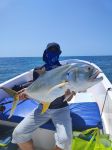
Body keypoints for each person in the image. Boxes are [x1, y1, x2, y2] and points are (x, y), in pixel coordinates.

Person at [12, 42, 75, 150]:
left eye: (56, 51)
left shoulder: (65, 71)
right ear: (46, 52)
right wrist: (27, 94)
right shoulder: (38, 71)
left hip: (61, 109)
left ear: (59, 53)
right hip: (42, 108)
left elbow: (69, 98)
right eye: (51, 50)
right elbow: (37, 90)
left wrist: (69, 94)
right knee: (18, 134)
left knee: (65, 141)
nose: (53, 53)